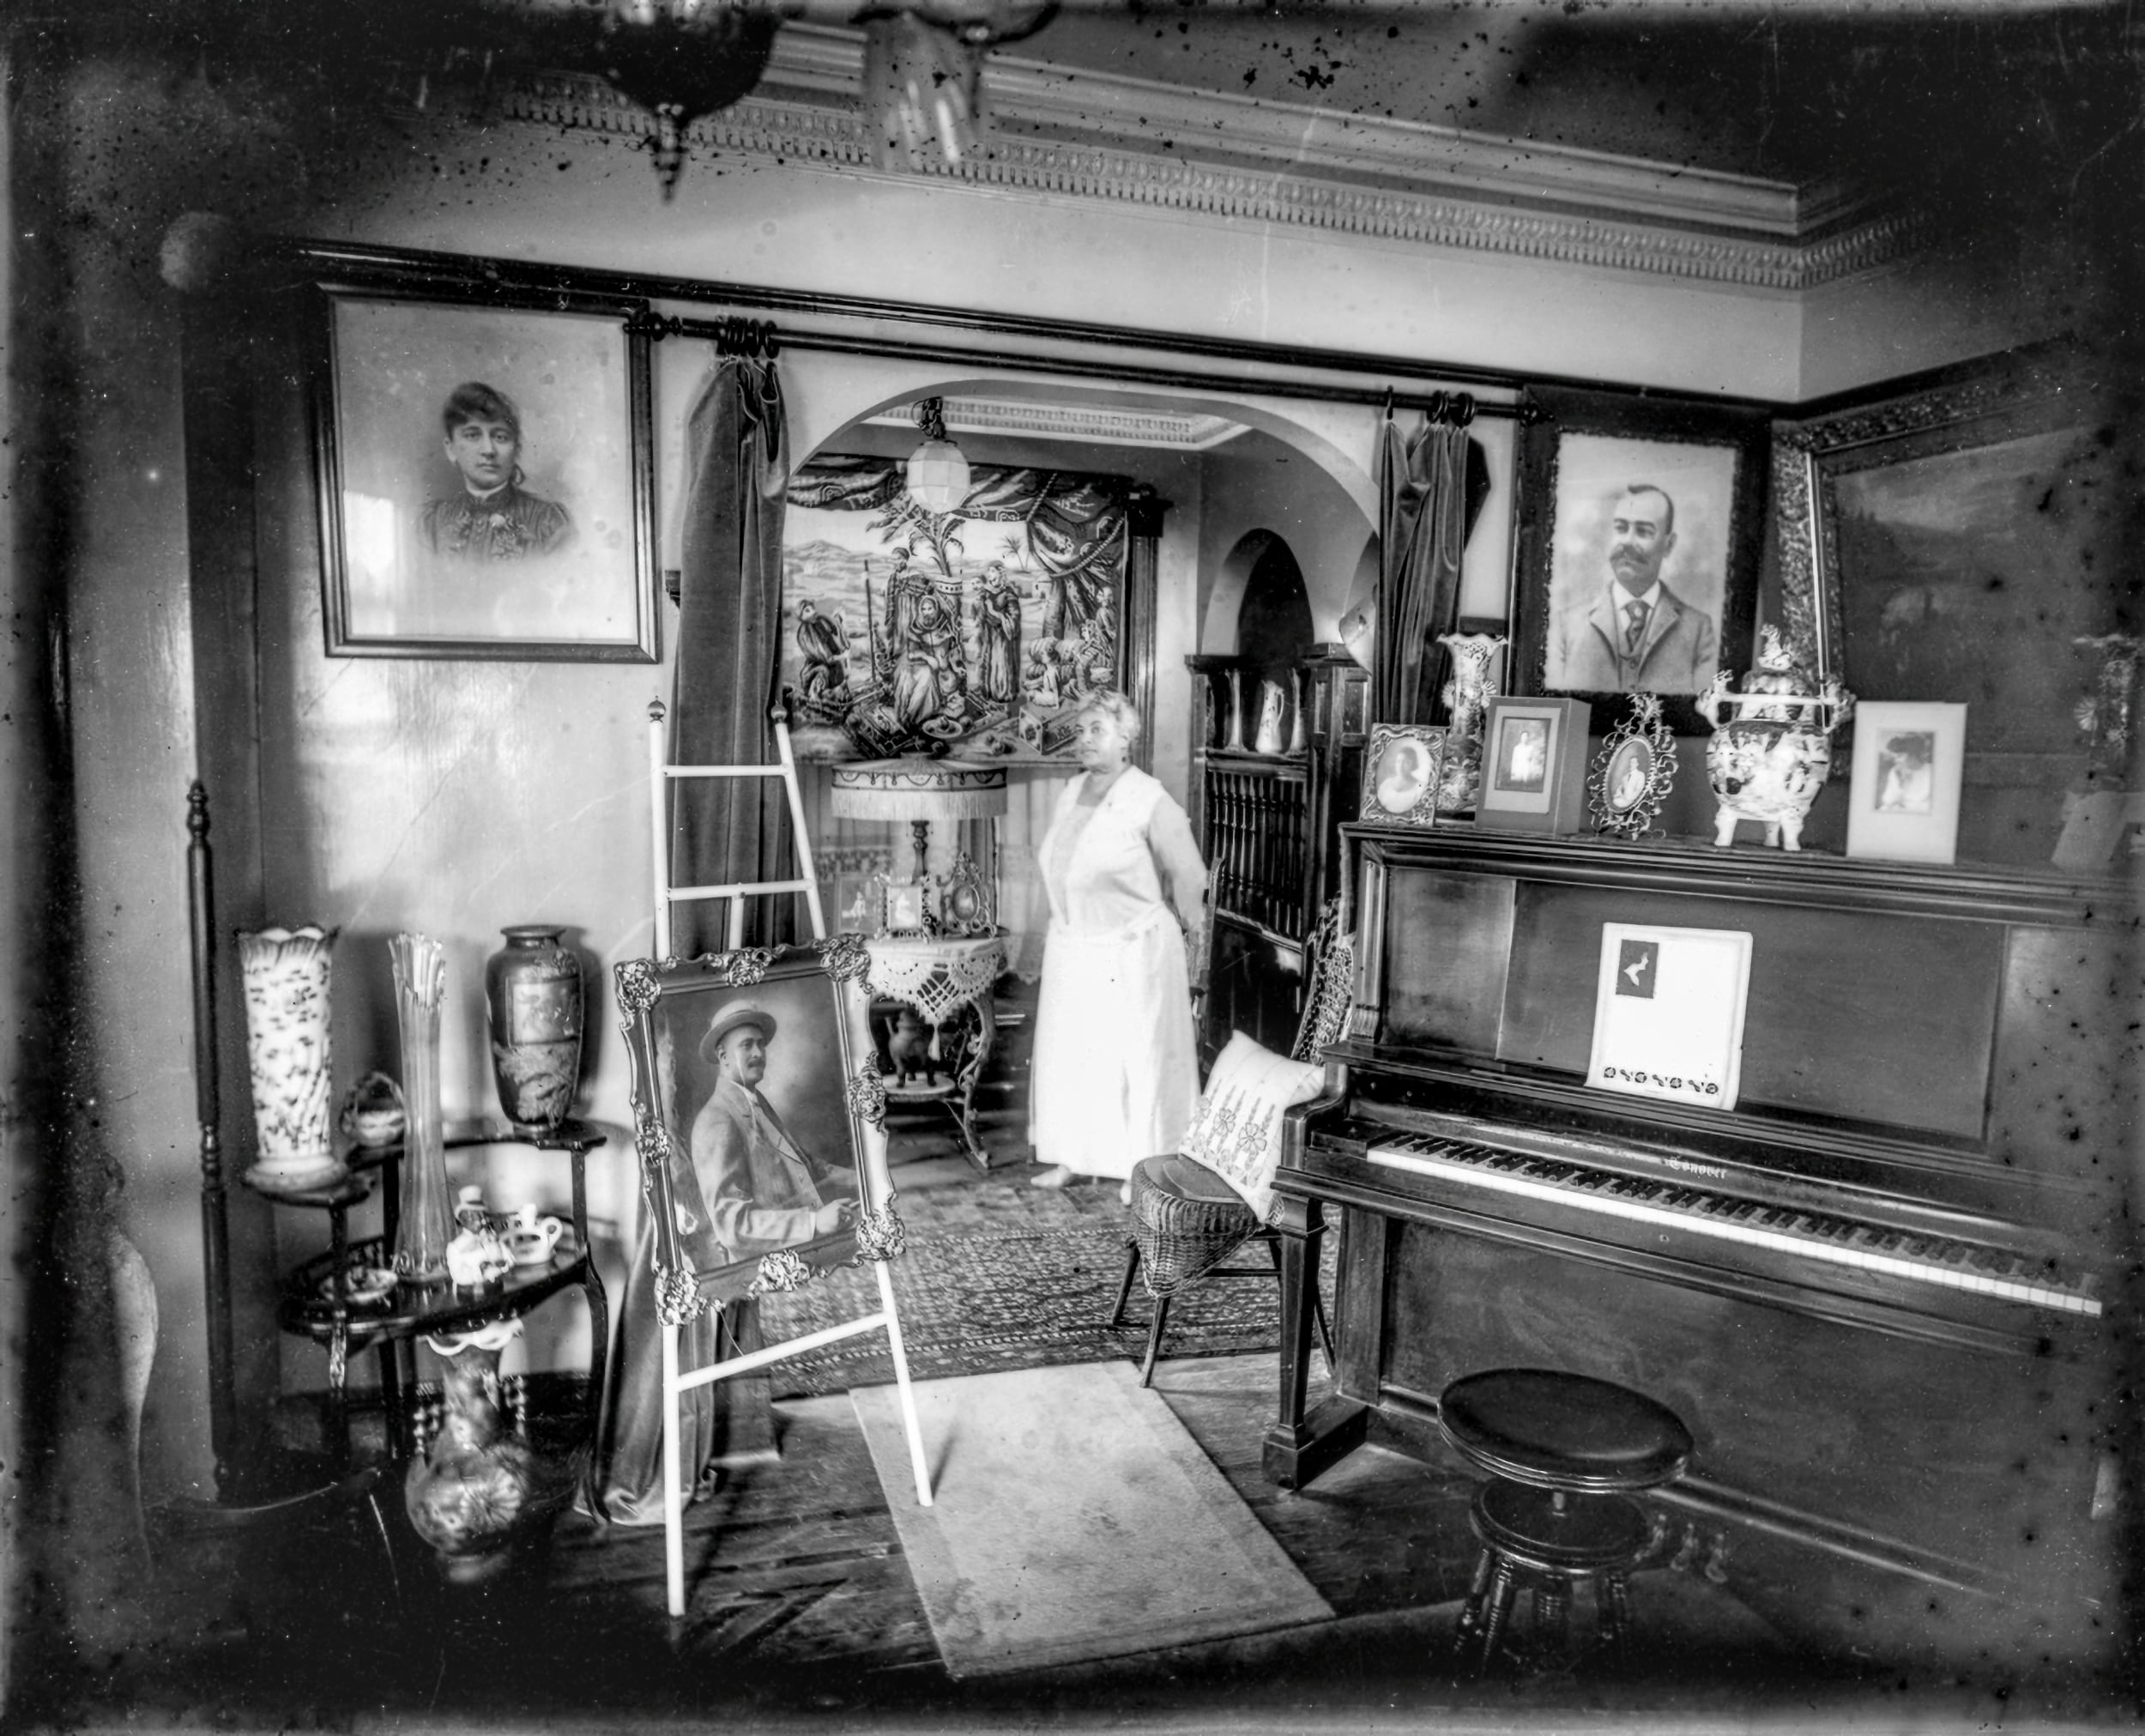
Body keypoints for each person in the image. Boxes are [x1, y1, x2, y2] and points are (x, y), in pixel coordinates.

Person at [1028, 691, 1209, 1204]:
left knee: (1138, 1060)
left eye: (1097, 731)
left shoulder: (1150, 798)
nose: (1084, 740)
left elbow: (1190, 878)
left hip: (1134, 950)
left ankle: (1142, 1166)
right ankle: (1074, 1156)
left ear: (1126, 737)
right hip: (1075, 945)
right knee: (1076, 1056)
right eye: (1081, 730)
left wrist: (1196, 959)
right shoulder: (1071, 791)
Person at [683, 1000, 856, 1267]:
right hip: (767, 1269)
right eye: (746, 1045)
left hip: (806, 1251)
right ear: (723, 1056)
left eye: (761, 1044)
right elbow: (732, 1224)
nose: (759, 1053)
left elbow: (809, 1167)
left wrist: (867, 1180)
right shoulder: (716, 1121)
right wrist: (814, 1222)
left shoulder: (757, 1103)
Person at [1547, 483, 1717, 694]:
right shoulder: (1565, 627)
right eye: (1620, 528)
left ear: (1669, 545)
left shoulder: (1699, 631)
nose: (1627, 541)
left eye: (1644, 531)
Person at [420, 381, 575, 563]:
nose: (488, 450)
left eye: (500, 437)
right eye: (472, 435)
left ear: (515, 449)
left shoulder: (547, 521)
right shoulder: (432, 523)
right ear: (451, 449)